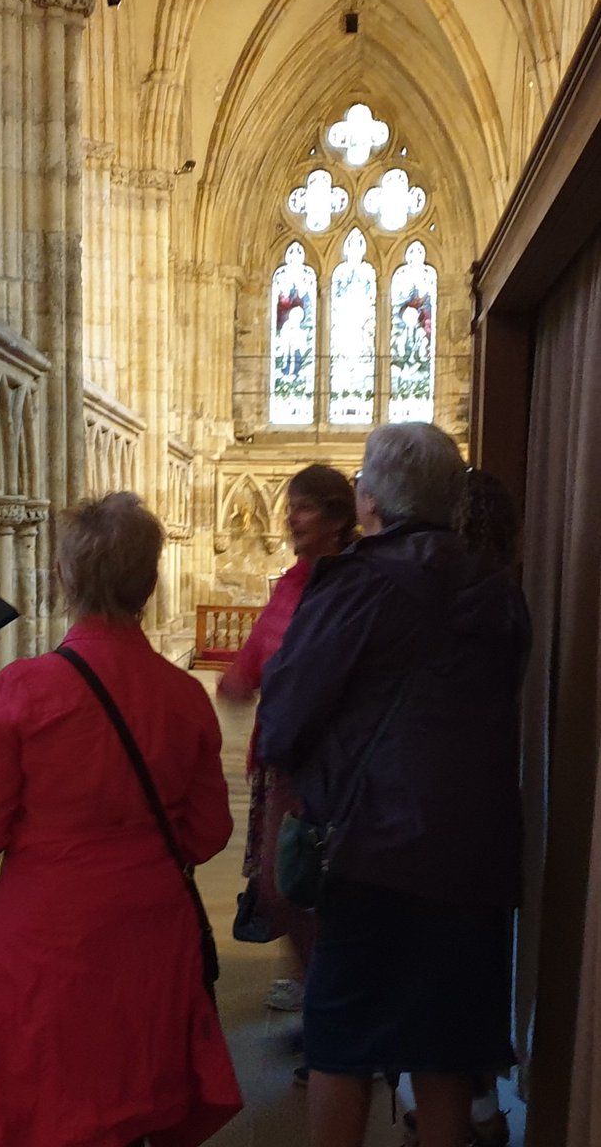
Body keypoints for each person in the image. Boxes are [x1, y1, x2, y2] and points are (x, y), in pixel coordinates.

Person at [258, 424, 529, 1147]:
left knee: (343, 1048)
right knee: (444, 1055)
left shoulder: (358, 584)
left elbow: (283, 720)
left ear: (369, 498)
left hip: (372, 853)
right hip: (475, 862)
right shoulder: (500, 596)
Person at [0, 492, 242, 1147]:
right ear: (151, 583)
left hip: (43, 942)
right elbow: (207, 834)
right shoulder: (183, 696)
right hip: (150, 938)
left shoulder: (23, 688)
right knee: (133, 1106)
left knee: (34, 1111)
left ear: (65, 577)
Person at [399, 468, 524, 1147]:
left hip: (432, 817)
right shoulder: (507, 601)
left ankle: (449, 1115)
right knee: (473, 971)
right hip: (488, 814)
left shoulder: (445, 604)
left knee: (436, 985)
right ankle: (478, 1107)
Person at [219, 465, 355, 1027]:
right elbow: (256, 653)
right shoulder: (292, 583)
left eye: (305, 507)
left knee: (308, 888)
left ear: (339, 519)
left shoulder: (352, 585)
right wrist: (239, 679)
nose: (291, 517)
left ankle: (332, 1004)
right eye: (291, 506)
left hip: (328, 766)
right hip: (277, 761)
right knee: (283, 889)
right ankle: (313, 986)